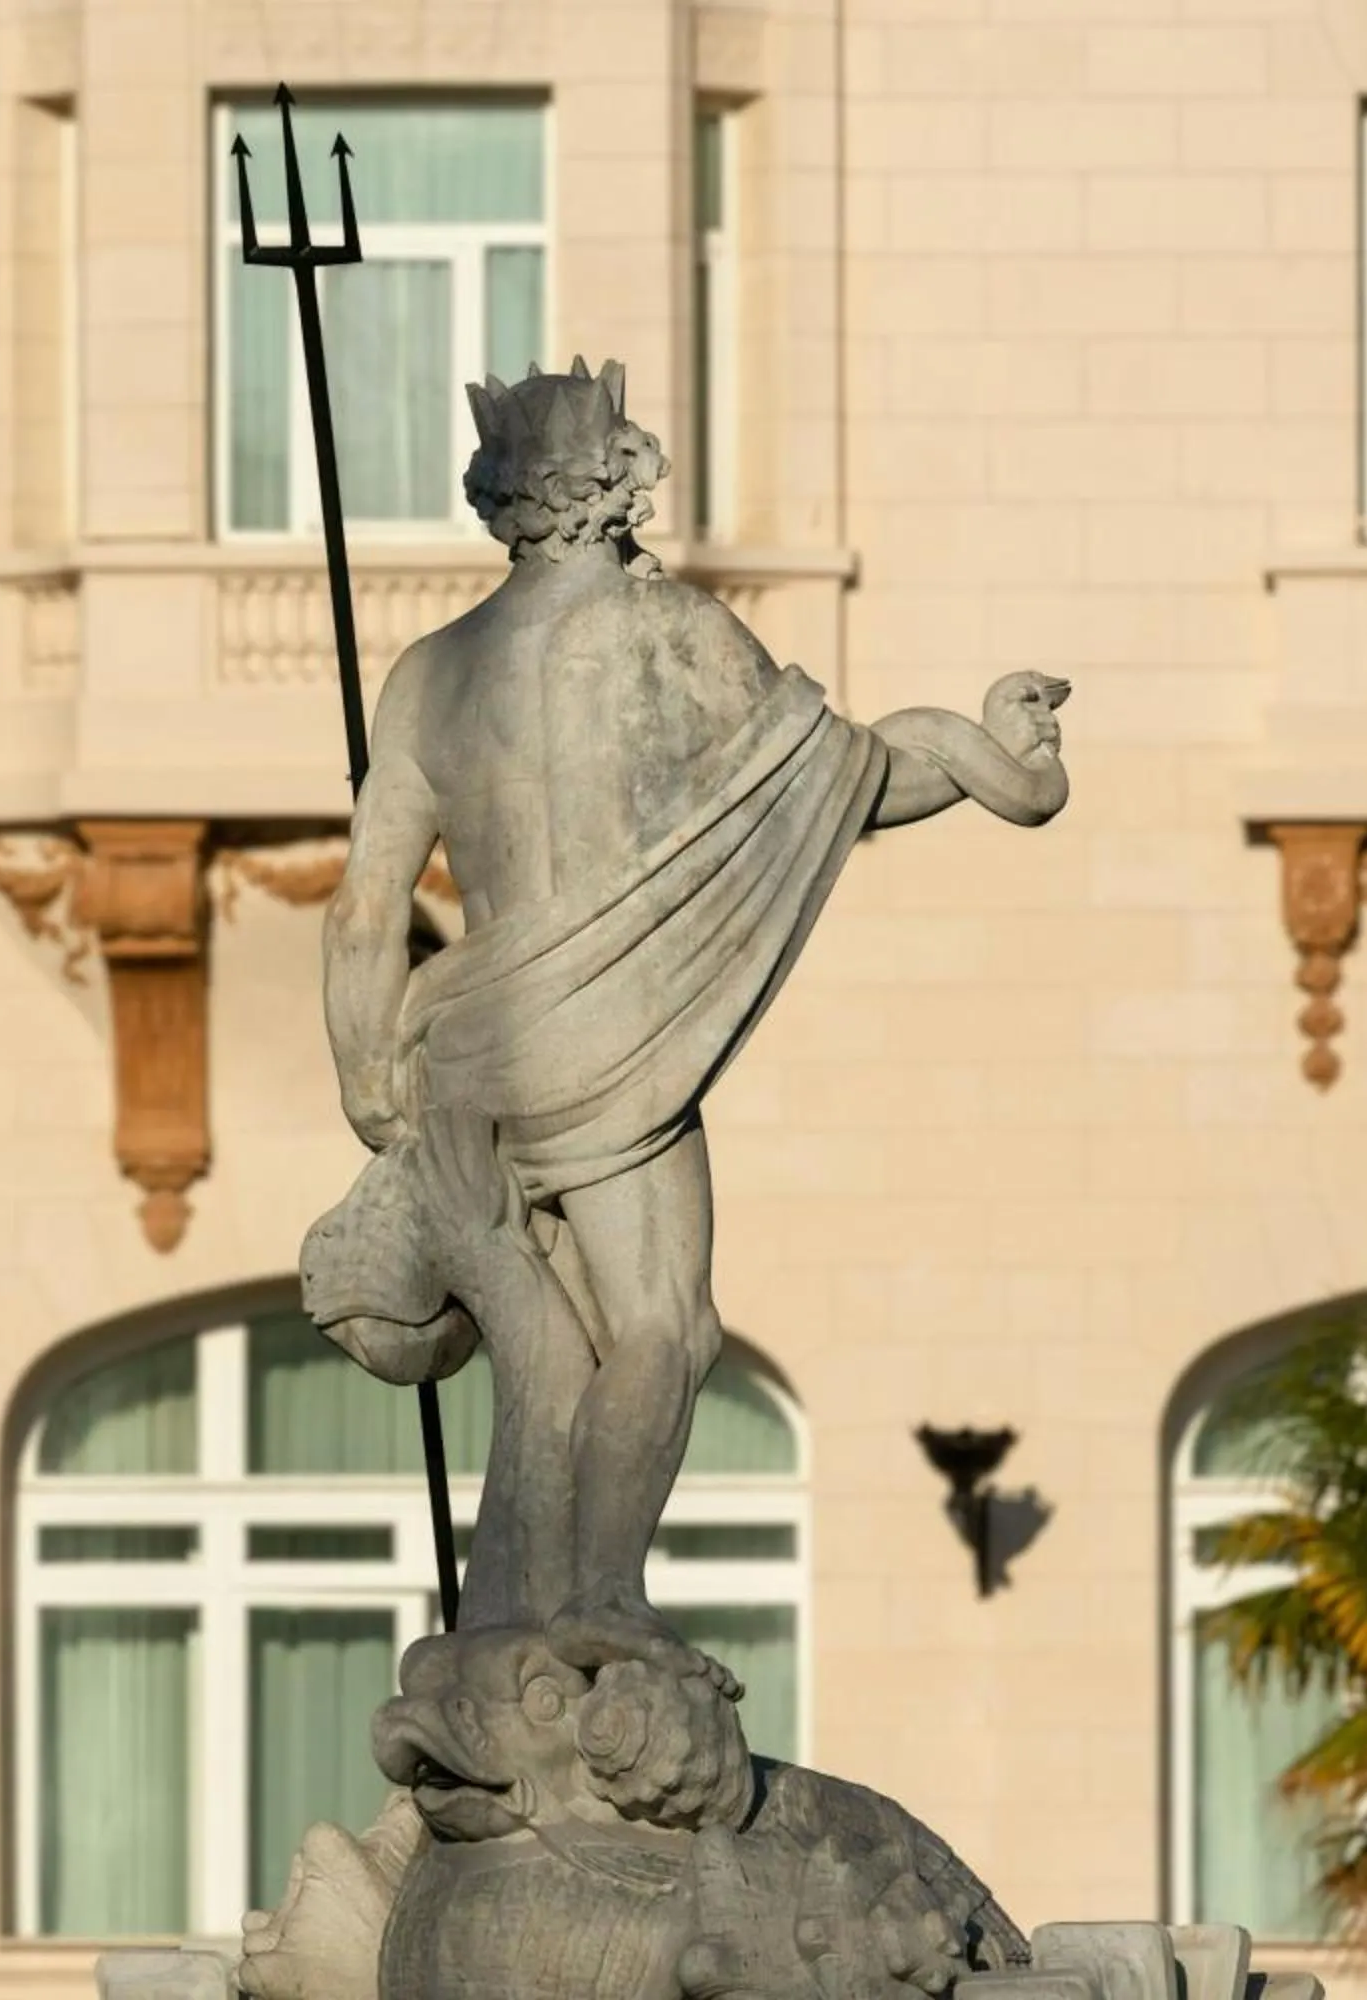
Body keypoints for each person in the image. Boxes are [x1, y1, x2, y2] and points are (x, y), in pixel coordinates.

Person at [308, 357, 1070, 1677]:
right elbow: (852, 780)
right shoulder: (675, 641)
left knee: (554, 1353)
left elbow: (366, 912)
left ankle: (510, 1626)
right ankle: (600, 1596)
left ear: (501, 499)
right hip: (605, 1055)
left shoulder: (429, 678)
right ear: (618, 485)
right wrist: (999, 754)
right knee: (662, 1324)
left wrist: (366, 1077)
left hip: (473, 1051)